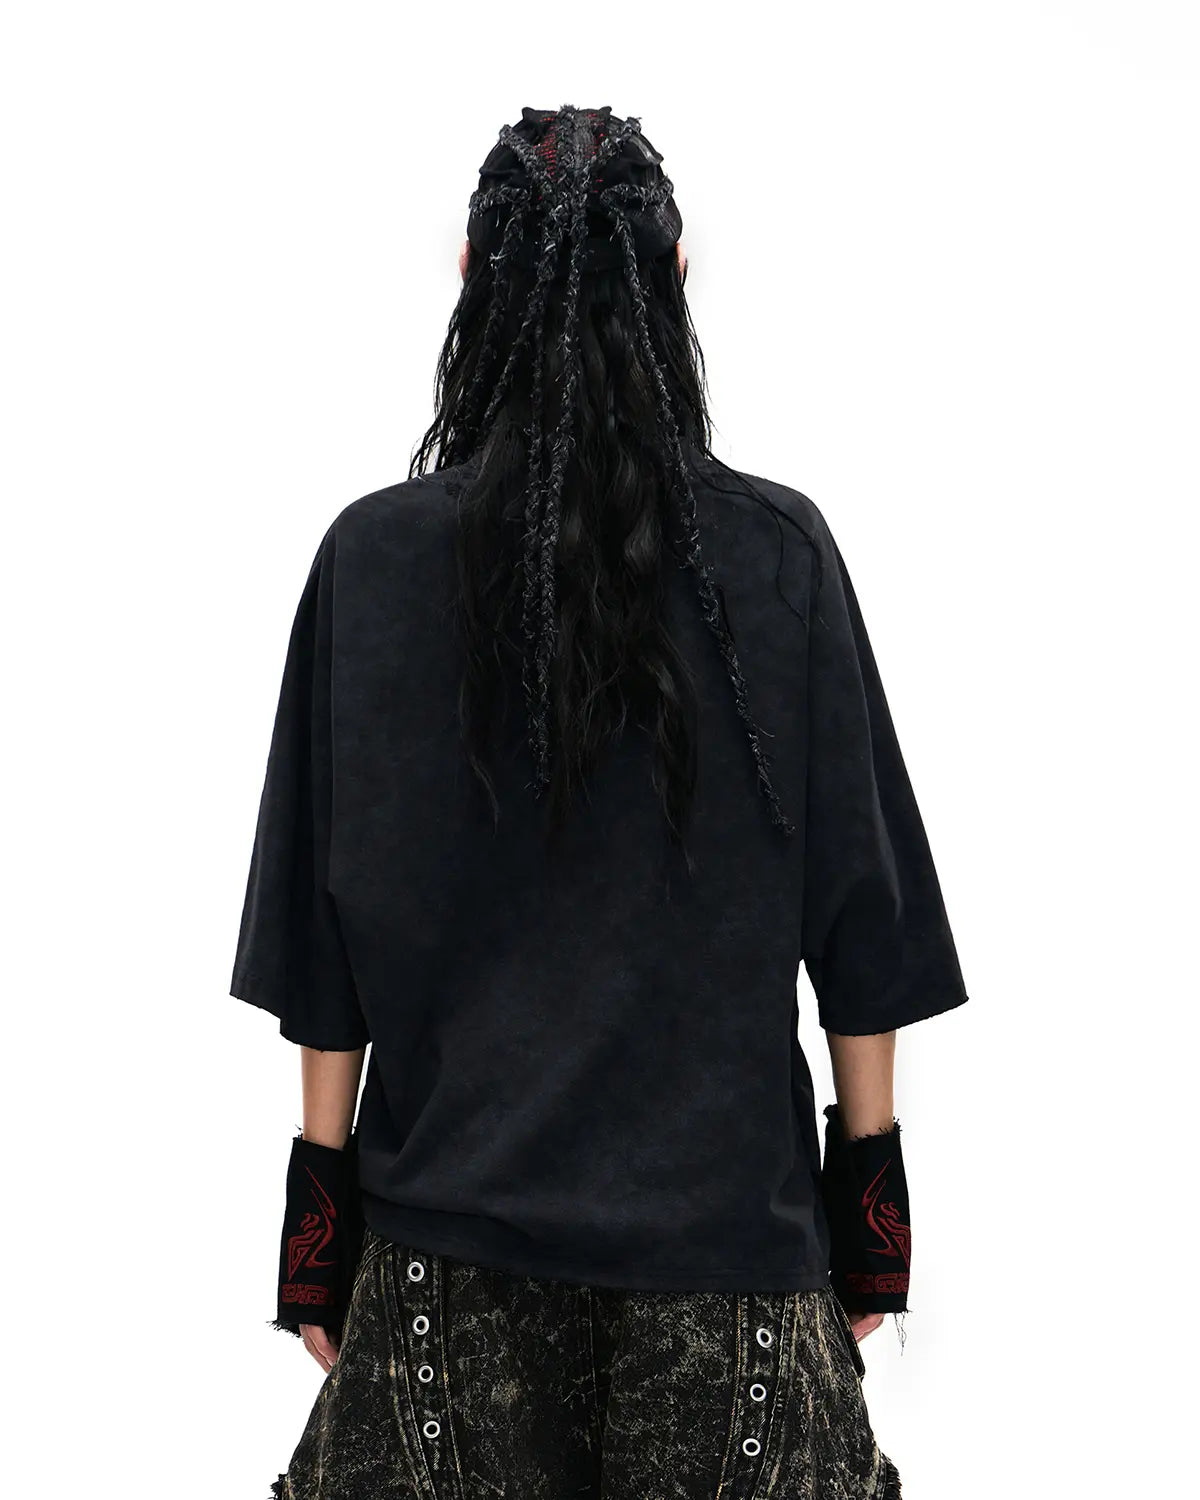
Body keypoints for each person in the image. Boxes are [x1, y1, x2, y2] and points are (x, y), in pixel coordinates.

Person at [229, 103, 969, 1500]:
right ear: (677, 279)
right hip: (731, 1285)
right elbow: (864, 932)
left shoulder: (371, 562)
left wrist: (315, 1236)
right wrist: (871, 1223)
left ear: (469, 277)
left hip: (442, 1285)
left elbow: (318, 958)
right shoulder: (779, 555)